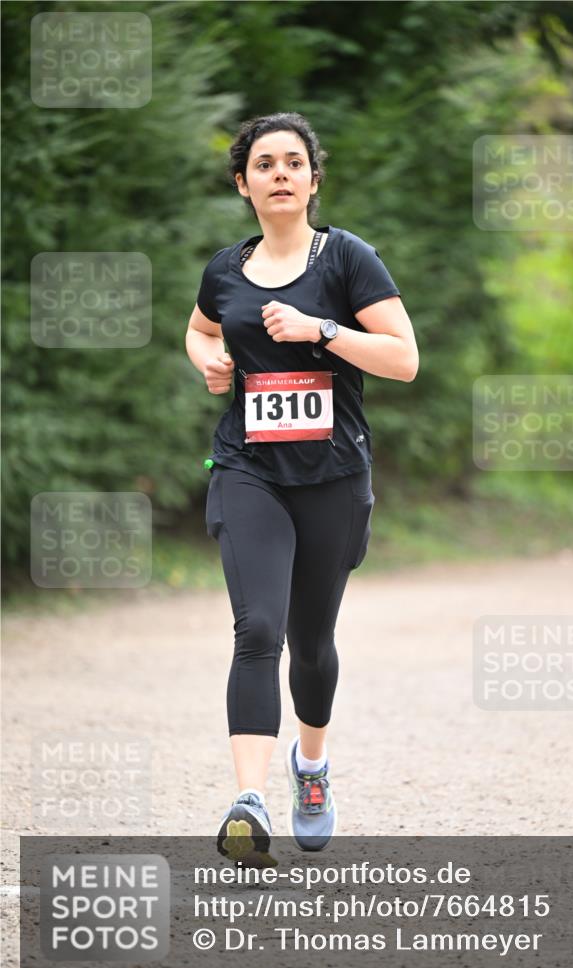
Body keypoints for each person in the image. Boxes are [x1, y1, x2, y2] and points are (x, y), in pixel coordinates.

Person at [185, 112, 418, 863]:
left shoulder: (346, 259)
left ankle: (309, 767)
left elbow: (403, 359)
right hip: (249, 468)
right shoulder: (224, 269)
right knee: (257, 630)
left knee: (311, 644)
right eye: (264, 164)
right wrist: (210, 363)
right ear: (243, 183)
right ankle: (247, 801)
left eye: (293, 162)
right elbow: (197, 328)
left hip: (332, 477)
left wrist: (321, 330)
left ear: (314, 180)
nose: (279, 173)